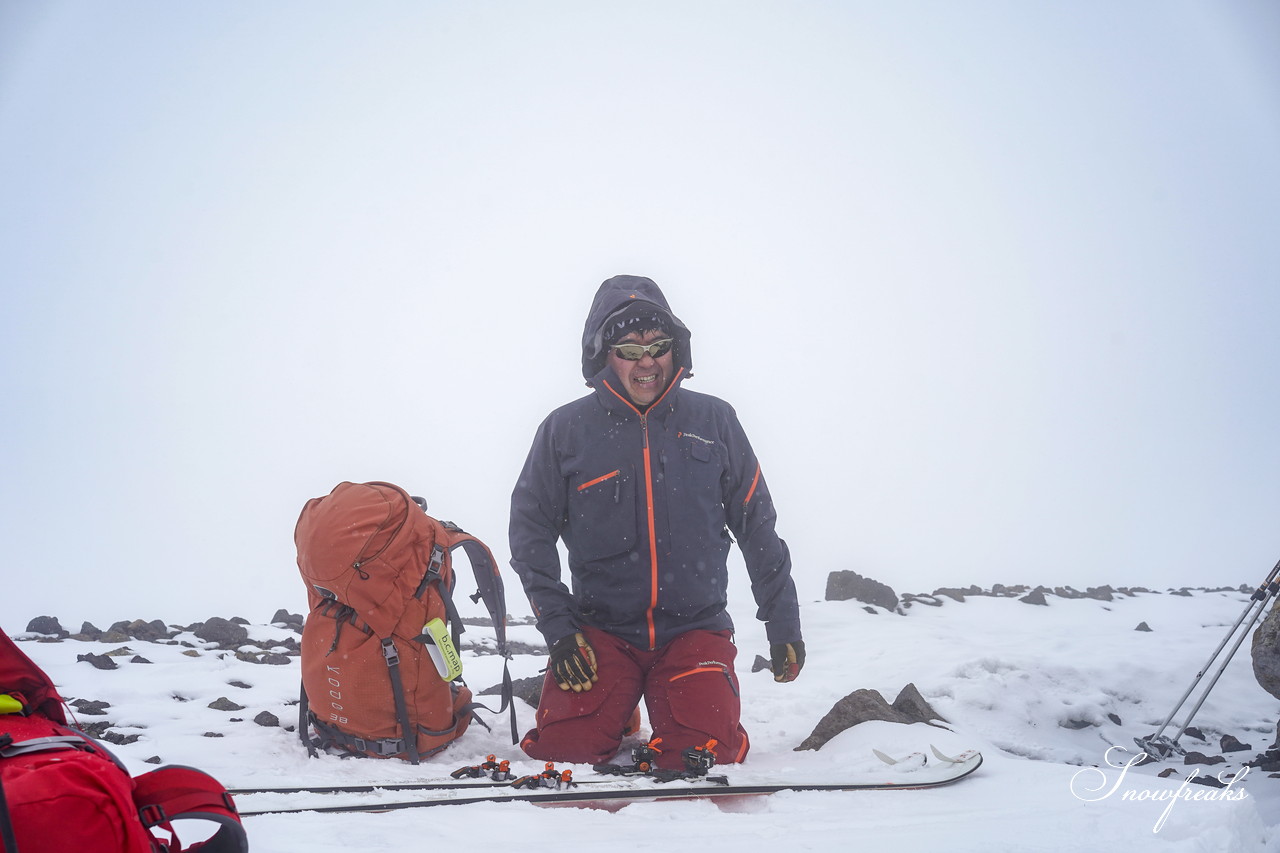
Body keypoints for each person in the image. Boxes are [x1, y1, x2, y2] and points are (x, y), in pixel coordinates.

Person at [509, 274, 804, 771]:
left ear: (676, 348)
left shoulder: (715, 421)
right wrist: (560, 631)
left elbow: (757, 525)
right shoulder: (565, 430)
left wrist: (783, 621)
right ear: (605, 354)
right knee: (564, 757)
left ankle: (689, 711)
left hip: (694, 631)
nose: (647, 360)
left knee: (704, 757)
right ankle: (617, 712)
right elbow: (529, 532)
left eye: (659, 345)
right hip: (601, 633)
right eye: (629, 347)